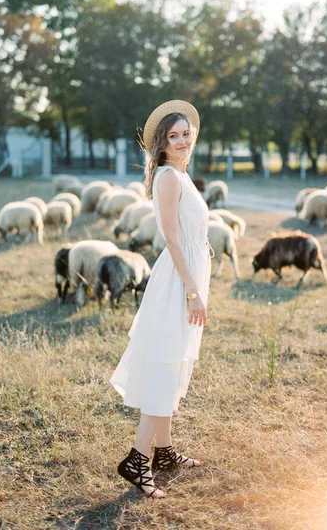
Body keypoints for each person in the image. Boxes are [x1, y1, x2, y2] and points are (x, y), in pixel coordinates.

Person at [110, 100, 212, 499]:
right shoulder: (169, 178)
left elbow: (189, 236)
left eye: (186, 133)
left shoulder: (182, 176)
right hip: (176, 284)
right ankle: (137, 459)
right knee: (164, 367)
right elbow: (171, 239)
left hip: (186, 277)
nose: (182, 140)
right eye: (174, 136)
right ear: (163, 143)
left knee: (173, 364)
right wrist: (192, 291)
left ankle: (165, 453)